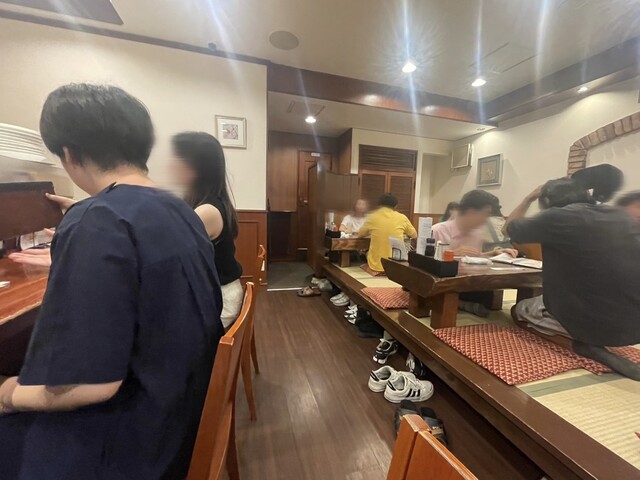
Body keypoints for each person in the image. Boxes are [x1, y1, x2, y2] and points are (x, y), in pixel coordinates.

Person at [0, 84, 224, 479]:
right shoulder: (180, 210)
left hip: (135, 443)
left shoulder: (98, 221)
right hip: (180, 414)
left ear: (69, 154)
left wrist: (9, 394)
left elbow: (93, 385)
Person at [507, 168, 640, 381]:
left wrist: (529, 197)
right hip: (633, 324)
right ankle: (588, 338)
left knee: (519, 310)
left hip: (592, 320)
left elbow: (507, 228)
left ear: (547, 201)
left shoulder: (557, 216)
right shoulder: (621, 216)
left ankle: (580, 344)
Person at [170, 132, 243, 328]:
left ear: (196, 168)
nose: (171, 165)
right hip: (216, 291)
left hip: (221, 298)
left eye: (177, 159)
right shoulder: (205, 203)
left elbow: (171, 254)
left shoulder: (206, 211)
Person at [432, 190, 517, 258]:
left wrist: (494, 253)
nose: (485, 220)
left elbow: (475, 257)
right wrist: (452, 254)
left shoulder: (477, 233)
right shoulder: (437, 231)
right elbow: (425, 263)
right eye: (484, 214)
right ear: (470, 211)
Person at [358, 193, 417, 273]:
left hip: (376, 265)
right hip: (397, 264)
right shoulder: (402, 217)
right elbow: (414, 235)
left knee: (364, 252)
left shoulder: (372, 217)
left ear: (379, 204)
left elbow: (360, 234)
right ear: (395, 206)